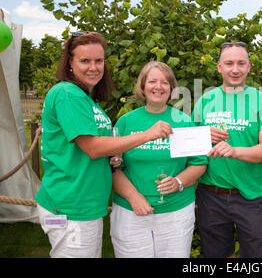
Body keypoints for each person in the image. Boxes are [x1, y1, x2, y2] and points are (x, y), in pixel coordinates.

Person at [35, 32, 172, 258]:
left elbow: (94, 146)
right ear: (69, 62)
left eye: (99, 61)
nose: (93, 67)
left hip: (85, 205)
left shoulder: (85, 98)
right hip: (71, 207)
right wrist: (148, 135)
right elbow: (92, 147)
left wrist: (113, 154)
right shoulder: (67, 94)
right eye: (85, 61)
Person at [110, 61, 207, 258]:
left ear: (171, 88)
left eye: (164, 82)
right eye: (152, 81)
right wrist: (133, 197)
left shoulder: (184, 121)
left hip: (176, 212)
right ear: (142, 87)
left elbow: (199, 163)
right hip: (131, 212)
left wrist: (179, 182)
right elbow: (113, 168)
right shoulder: (126, 122)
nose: (158, 87)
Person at [192, 42, 262, 258]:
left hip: (249, 195)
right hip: (210, 194)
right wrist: (203, 136)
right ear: (219, 67)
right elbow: (191, 147)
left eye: (241, 63)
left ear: (249, 67)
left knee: (256, 257)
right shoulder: (205, 101)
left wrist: (234, 151)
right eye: (229, 63)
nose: (235, 69)